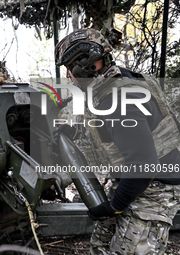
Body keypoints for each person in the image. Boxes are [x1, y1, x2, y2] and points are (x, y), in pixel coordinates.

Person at [55, 28, 180, 254]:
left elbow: (144, 163)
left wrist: (115, 207)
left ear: (83, 66)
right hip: (134, 179)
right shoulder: (114, 80)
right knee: (100, 245)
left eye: (69, 69)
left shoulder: (119, 101)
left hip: (155, 187)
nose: (68, 76)